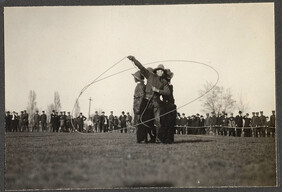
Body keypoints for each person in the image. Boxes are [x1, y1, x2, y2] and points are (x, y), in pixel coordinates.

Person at [128, 56, 171, 143]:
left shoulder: (164, 82)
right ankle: (142, 139)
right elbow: (141, 67)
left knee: (158, 120)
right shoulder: (150, 75)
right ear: (156, 71)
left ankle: (158, 139)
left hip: (156, 102)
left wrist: (158, 90)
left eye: (163, 71)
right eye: (160, 70)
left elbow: (168, 92)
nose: (161, 72)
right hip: (146, 101)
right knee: (143, 120)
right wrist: (134, 59)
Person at [132, 70, 147, 143]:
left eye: (135, 77)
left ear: (137, 78)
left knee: (139, 124)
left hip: (139, 108)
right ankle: (142, 139)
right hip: (139, 108)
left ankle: (140, 139)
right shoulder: (141, 85)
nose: (134, 78)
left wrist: (138, 108)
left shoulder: (140, 86)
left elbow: (142, 96)